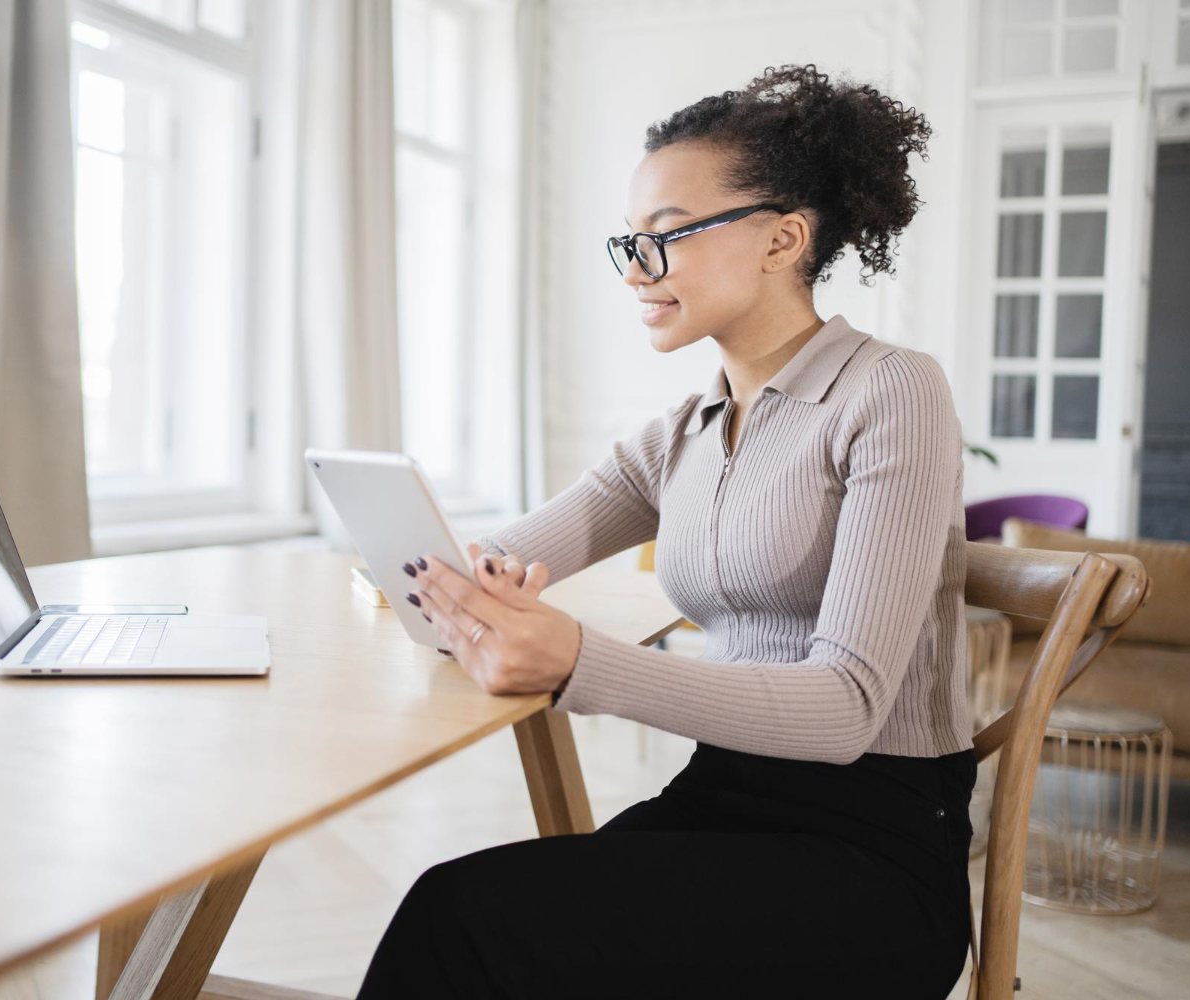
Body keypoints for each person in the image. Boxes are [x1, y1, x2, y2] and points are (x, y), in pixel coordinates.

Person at [361, 63, 974, 999]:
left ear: (783, 238)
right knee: (471, 922)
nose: (638, 268)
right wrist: (432, 575)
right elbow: (508, 557)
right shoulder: (681, 433)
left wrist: (580, 663)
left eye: (668, 237)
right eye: (631, 242)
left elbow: (847, 707)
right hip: (723, 803)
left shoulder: (890, 391)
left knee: (465, 922)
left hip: (869, 848)